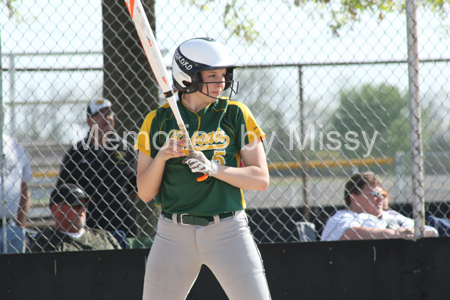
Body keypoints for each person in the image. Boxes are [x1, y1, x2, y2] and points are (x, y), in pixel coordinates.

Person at [135, 37, 272, 300]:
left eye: (223, 74)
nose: (221, 82)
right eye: (212, 75)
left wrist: (214, 168)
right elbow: (144, 192)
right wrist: (162, 156)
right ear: (188, 76)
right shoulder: (157, 120)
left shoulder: (235, 114)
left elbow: (261, 179)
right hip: (173, 234)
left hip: (228, 230)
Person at [57, 98, 139, 237]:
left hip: (124, 226)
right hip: (89, 227)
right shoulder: (76, 153)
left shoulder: (127, 149)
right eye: (100, 114)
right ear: (89, 121)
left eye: (109, 113)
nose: (106, 118)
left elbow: (136, 188)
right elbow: (64, 191)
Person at [320, 171, 438, 241]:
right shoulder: (342, 217)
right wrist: (395, 234)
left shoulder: (392, 216)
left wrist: (409, 232)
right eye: (374, 194)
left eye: (382, 194)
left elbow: (431, 232)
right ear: (354, 197)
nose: (381, 198)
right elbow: (350, 233)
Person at [30, 184, 121, 252]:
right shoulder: (46, 241)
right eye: (76, 205)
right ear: (55, 209)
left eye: (85, 205)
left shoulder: (105, 236)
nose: (82, 210)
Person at [0, 129, 32, 254]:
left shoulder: (14, 145)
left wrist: (21, 227)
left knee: (15, 271)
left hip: (11, 227)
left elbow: (24, 188)